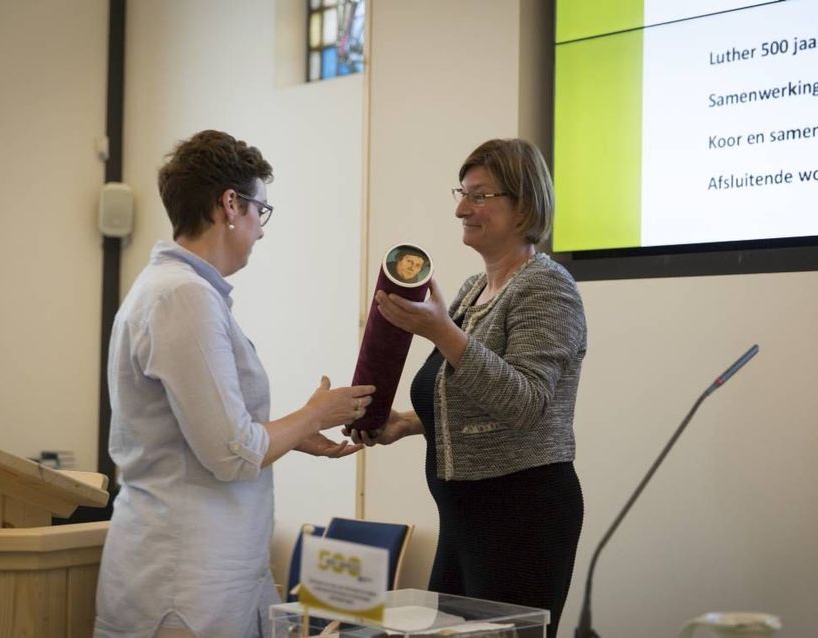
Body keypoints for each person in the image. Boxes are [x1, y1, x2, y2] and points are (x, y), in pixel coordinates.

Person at [95, 130, 375, 638]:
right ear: (230, 204)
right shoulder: (182, 296)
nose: (261, 231)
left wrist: (289, 434)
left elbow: (215, 433)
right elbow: (231, 452)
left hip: (211, 565)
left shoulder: (180, 291)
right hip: (185, 576)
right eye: (260, 212)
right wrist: (317, 413)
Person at [346, 138, 586, 636]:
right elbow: (466, 395)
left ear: (523, 207)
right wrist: (406, 425)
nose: (461, 208)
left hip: (522, 520)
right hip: (466, 520)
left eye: (479, 196)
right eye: (462, 193)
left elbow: (527, 404)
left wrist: (441, 332)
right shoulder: (474, 291)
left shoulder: (547, 286)